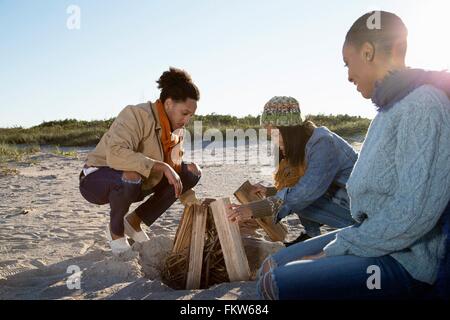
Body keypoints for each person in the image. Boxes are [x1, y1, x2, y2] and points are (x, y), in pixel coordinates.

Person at [256, 11, 450, 299]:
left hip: (406, 257)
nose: (347, 76)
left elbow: (412, 215)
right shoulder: (387, 109)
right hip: (372, 233)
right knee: (268, 267)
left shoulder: (422, 105)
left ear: (369, 52)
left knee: (275, 284)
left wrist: (334, 250)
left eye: (348, 63)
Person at [79, 67, 202, 256]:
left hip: (140, 182)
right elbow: (115, 153)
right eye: (184, 113)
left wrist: (193, 201)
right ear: (168, 103)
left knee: (191, 171)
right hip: (97, 179)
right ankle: (116, 232)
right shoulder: (136, 114)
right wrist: (160, 165)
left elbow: (175, 170)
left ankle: (134, 222)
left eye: (190, 116)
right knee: (132, 175)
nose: (186, 120)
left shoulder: (178, 131)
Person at [227, 96, 357, 245]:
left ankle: (328, 237)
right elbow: (303, 186)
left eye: (275, 134)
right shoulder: (307, 141)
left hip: (362, 212)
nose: (275, 141)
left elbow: (304, 193)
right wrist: (270, 192)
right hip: (344, 202)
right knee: (295, 194)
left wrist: (252, 209)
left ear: (289, 130)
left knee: (300, 200)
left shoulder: (322, 143)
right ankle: (311, 236)